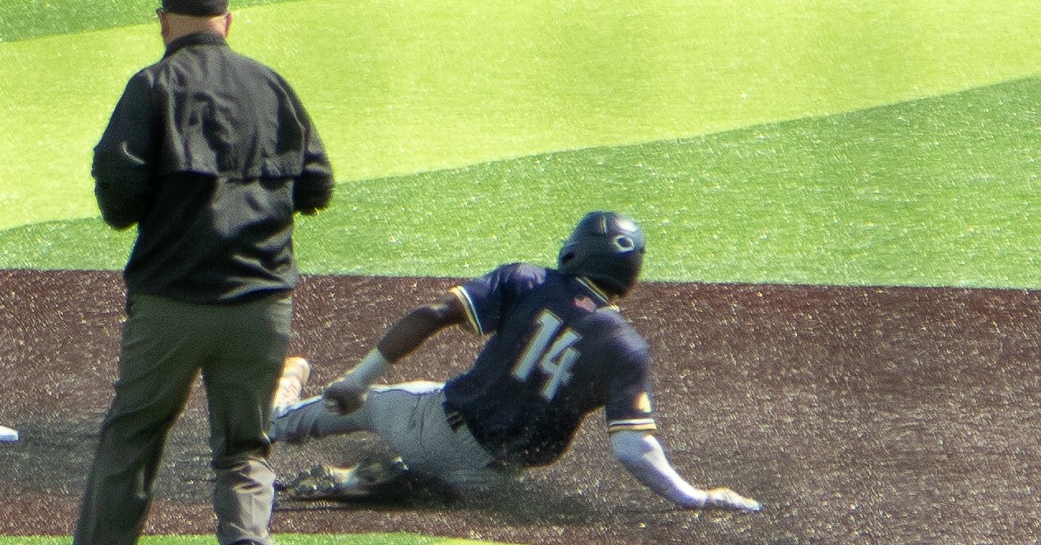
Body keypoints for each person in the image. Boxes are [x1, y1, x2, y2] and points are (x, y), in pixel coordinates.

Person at [47, 0, 334, 545]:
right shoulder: (271, 85)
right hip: (262, 303)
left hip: (172, 301)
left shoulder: (152, 85)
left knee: (134, 439)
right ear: (228, 22)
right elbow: (318, 184)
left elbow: (117, 194)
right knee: (244, 446)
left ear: (165, 22)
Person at [270, 212, 761, 513]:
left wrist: (358, 380)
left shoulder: (530, 281)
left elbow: (433, 313)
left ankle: (277, 415)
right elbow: (634, 449)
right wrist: (692, 495)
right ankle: (387, 479)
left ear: (575, 252)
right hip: (493, 479)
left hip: (439, 426)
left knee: (376, 402)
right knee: (446, 461)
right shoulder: (625, 347)